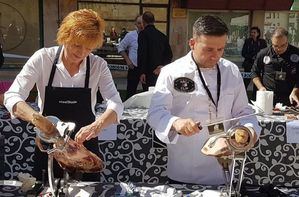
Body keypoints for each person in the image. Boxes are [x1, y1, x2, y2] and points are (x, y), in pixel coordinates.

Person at [4, 9, 124, 181]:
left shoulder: (99, 66)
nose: (82, 53)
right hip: (49, 146)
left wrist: (97, 125)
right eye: (77, 45)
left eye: (88, 48)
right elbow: (13, 95)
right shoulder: (43, 58)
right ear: (65, 36)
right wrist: (38, 119)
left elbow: (116, 103)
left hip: (84, 146)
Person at [147, 15, 261, 185]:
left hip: (222, 165)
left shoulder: (232, 71)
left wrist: (248, 131)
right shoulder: (172, 72)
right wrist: (175, 122)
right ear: (192, 43)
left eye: (221, 49)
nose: (215, 56)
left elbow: (243, 111)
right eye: (209, 49)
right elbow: (155, 113)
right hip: (185, 166)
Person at [251, 27, 299, 106]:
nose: (279, 49)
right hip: (268, 98)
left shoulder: (297, 53)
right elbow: (254, 72)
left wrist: (295, 91)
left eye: (283, 45)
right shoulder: (264, 53)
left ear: (287, 41)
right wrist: (261, 88)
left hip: (291, 98)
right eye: (275, 46)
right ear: (271, 42)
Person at [138, 11, 173, 91]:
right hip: (160, 71)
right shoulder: (162, 36)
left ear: (143, 22)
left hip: (147, 72)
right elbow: (169, 54)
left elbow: (142, 53)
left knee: (148, 95)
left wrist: (142, 72)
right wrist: (162, 66)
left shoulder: (143, 34)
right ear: (154, 21)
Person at [117, 15, 144, 99]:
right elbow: (120, 47)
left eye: (143, 23)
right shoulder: (130, 35)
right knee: (130, 92)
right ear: (135, 24)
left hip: (146, 68)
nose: (141, 25)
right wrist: (128, 60)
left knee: (148, 92)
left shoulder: (150, 36)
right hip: (134, 67)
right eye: (139, 23)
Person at [241, 27, 267, 91]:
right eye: (251, 32)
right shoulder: (248, 41)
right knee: (246, 81)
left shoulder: (262, 42)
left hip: (258, 64)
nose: (252, 34)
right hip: (249, 64)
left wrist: (258, 58)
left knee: (257, 80)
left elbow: (265, 52)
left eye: (254, 32)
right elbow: (243, 53)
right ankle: (243, 94)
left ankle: (255, 96)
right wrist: (251, 57)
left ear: (258, 34)